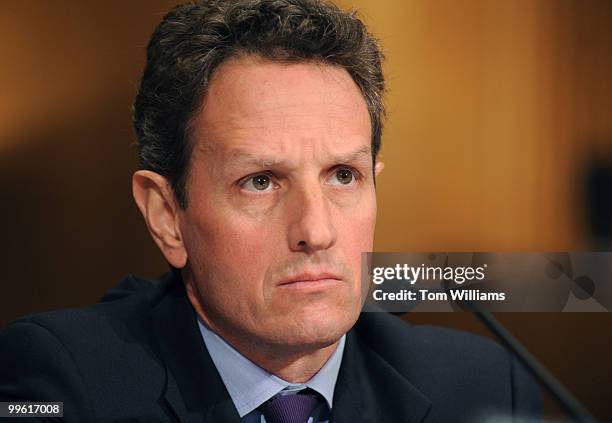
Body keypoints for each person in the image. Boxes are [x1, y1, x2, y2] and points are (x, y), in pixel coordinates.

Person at [0, 1, 541, 422]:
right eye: (260, 182)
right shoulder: (66, 382)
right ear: (167, 215)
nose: (316, 230)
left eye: (342, 176)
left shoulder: (482, 384)